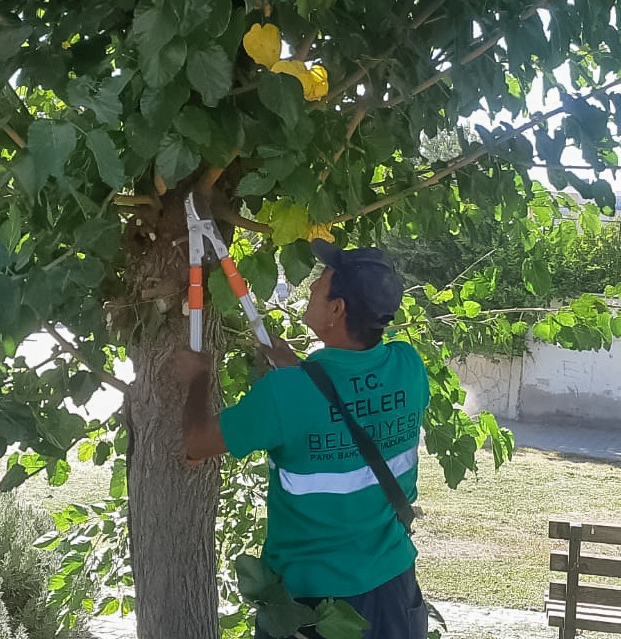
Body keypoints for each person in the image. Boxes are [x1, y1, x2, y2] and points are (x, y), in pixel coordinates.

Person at [177, 238, 431, 639]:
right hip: (394, 589)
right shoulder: (408, 366)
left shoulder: (286, 394)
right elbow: (357, 405)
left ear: (337, 309)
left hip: (314, 609)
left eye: (320, 282)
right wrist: (300, 371)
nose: (311, 287)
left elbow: (195, 441)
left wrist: (197, 377)